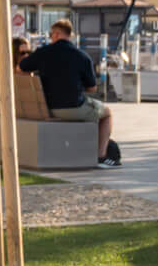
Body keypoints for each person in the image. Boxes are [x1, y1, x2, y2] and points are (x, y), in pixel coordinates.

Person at [19, 19, 120, 166]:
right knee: (107, 113)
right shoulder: (82, 56)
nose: (50, 37)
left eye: (51, 34)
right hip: (74, 108)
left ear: (57, 34)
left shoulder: (43, 53)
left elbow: (22, 67)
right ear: (69, 35)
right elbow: (92, 88)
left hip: (47, 108)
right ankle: (101, 156)